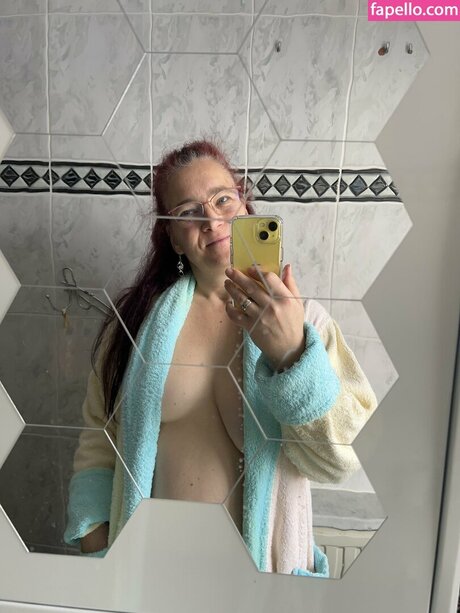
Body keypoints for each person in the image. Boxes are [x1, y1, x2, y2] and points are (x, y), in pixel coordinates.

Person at [64, 139, 377, 577]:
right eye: (189, 212)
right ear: (173, 237)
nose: (211, 221)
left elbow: (342, 460)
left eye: (223, 199)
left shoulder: (307, 324)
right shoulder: (133, 326)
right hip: (154, 576)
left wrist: (291, 354)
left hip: (259, 585)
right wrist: (97, 546)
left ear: (245, 205)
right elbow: (100, 439)